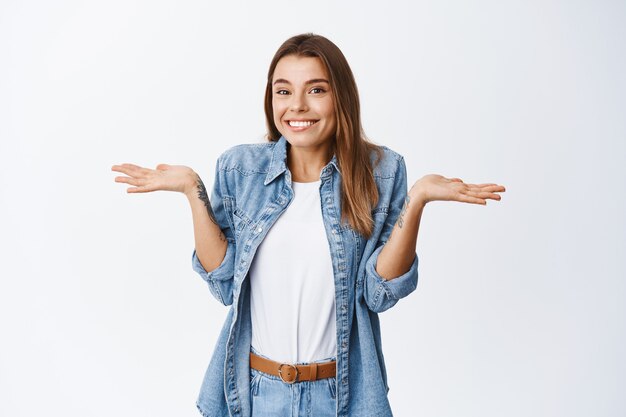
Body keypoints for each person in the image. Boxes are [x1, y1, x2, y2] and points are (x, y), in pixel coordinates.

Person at [112, 33, 505, 417]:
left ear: (341, 97)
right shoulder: (240, 169)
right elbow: (224, 282)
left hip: (340, 395)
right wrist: (191, 190)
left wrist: (417, 200)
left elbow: (378, 293)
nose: (296, 106)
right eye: (283, 91)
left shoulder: (382, 173)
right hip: (255, 392)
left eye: (316, 90)